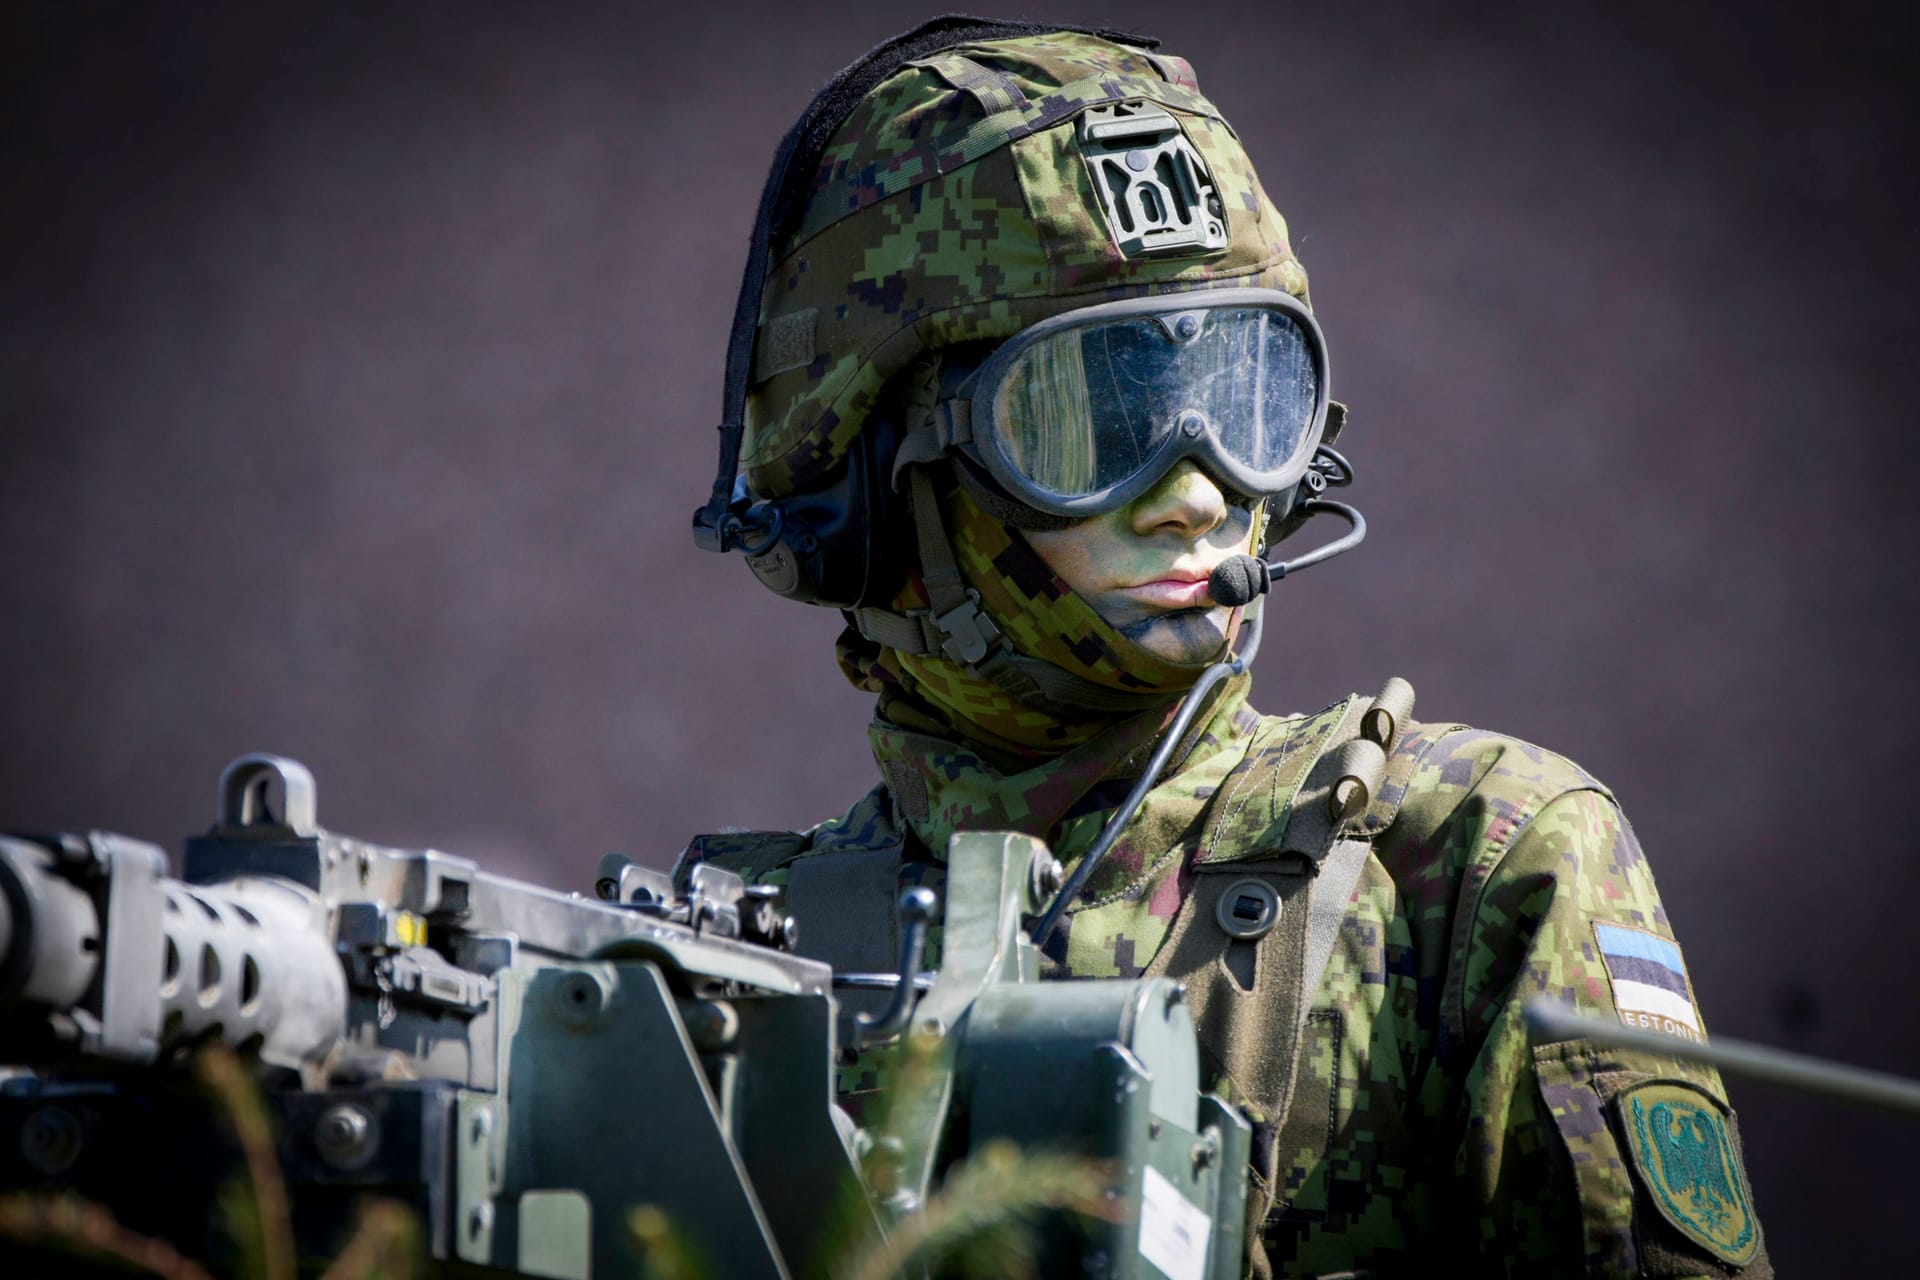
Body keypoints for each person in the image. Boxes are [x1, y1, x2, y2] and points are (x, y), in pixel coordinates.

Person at [676, 17, 1769, 1277]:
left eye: (1246, 398)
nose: (1199, 492)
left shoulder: (1470, 863)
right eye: (1094, 414)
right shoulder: (725, 969)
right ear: (874, 488)